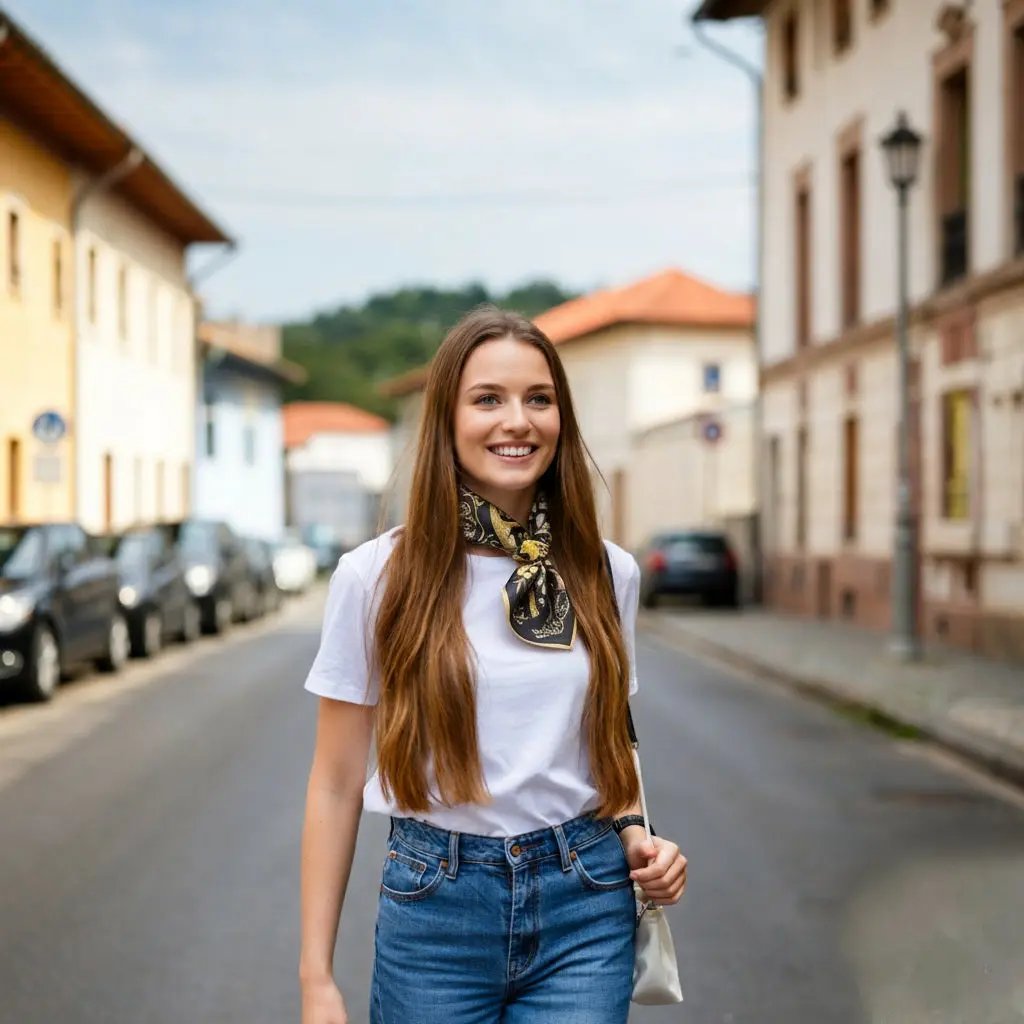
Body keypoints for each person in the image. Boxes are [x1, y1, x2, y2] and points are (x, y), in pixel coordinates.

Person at [299, 306, 687, 1024]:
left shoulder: (606, 572)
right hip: (435, 910)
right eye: (487, 399)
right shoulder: (376, 576)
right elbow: (335, 782)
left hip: (586, 904)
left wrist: (639, 834)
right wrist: (315, 978)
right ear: (446, 421)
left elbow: (611, 739)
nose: (518, 421)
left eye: (539, 399)